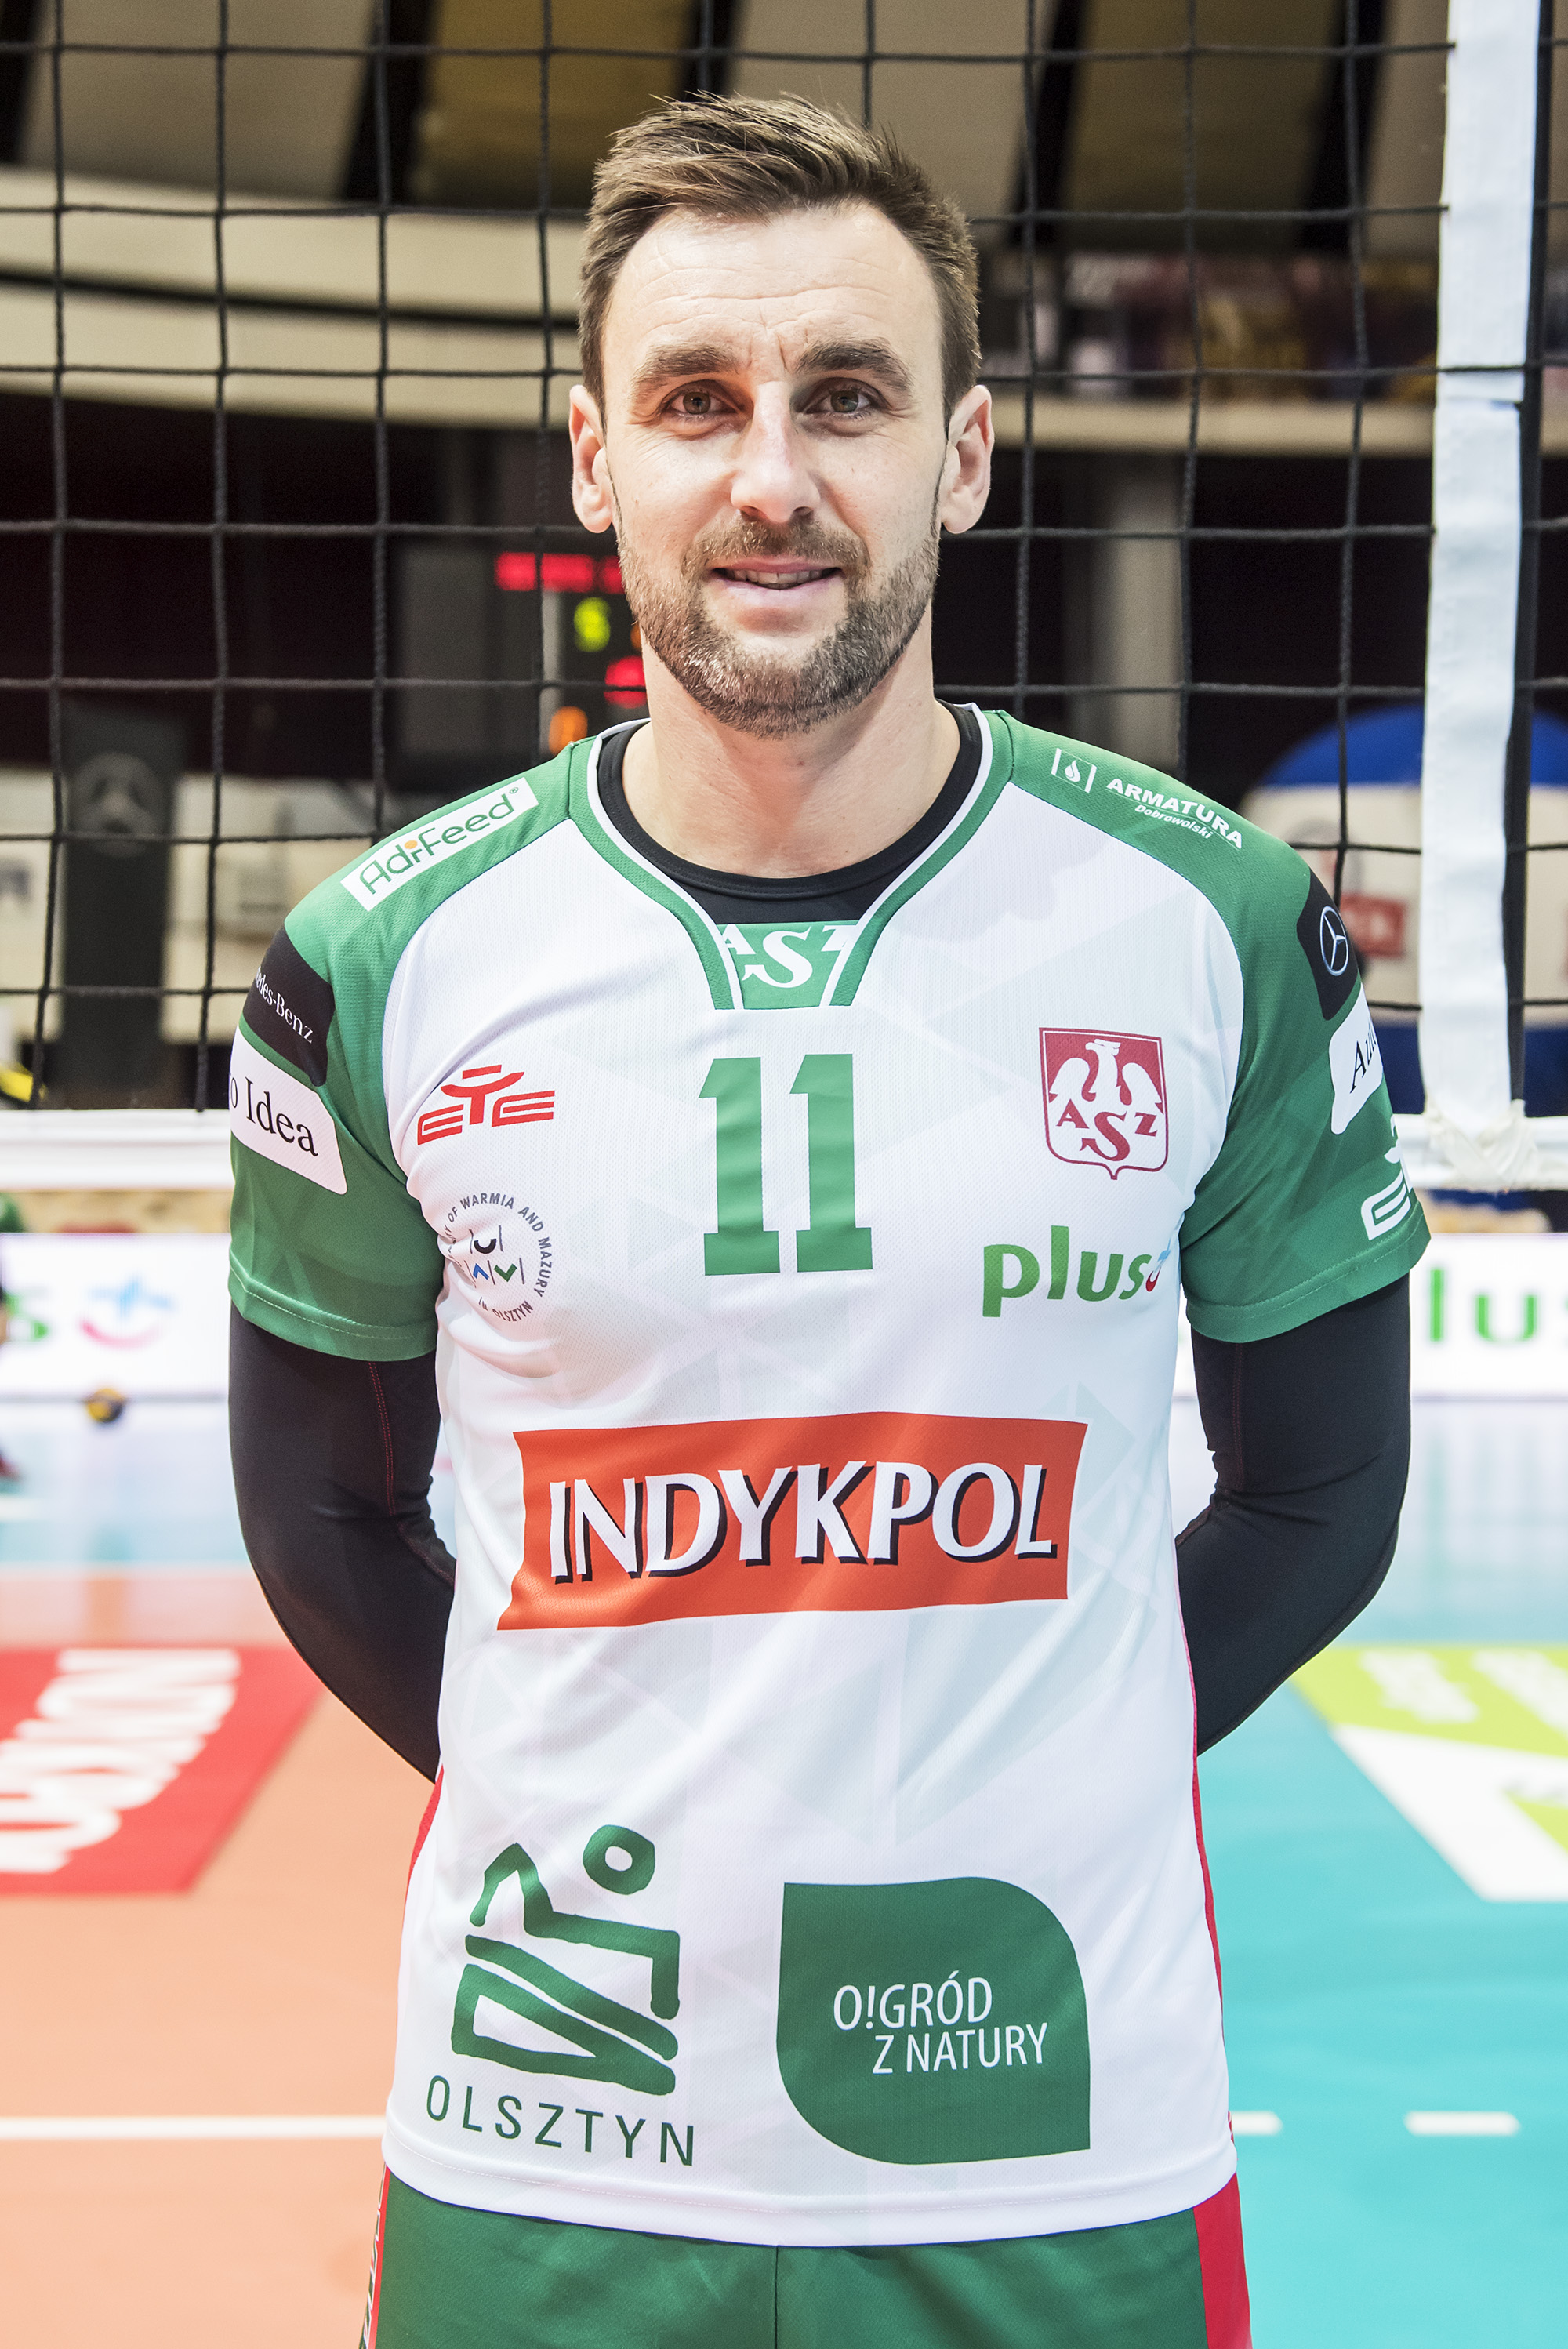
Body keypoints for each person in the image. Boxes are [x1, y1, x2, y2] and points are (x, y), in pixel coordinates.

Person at [228, 95, 1425, 2349]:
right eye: (698, 401)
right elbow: (321, 1521)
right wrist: (626, 1799)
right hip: (551, 2113)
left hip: (1054, 2115)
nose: (770, 475)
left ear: (963, 455)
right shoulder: (378, 963)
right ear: (597, 461)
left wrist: (1031, 1770)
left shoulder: (1215, 923)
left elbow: (1326, 1498)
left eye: (847, 396)